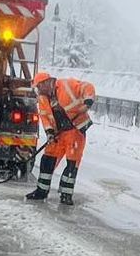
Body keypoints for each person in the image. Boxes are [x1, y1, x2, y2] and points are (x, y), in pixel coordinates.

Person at [26, 72, 96, 205]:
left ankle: (66, 195)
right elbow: (45, 117)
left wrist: (88, 101)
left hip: (75, 131)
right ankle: (41, 191)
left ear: (46, 83)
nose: (39, 90)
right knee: (47, 160)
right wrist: (50, 132)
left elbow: (87, 87)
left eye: (39, 87)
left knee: (72, 164)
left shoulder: (67, 85)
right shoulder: (43, 98)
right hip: (58, 134)